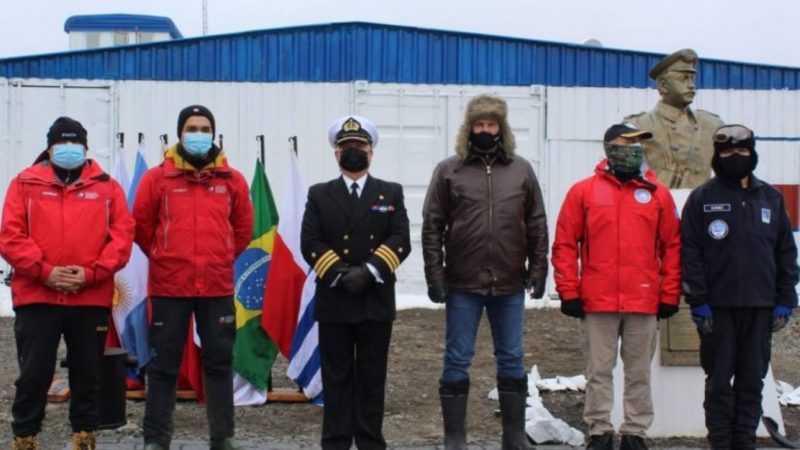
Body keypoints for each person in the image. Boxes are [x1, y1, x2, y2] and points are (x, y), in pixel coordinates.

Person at [421, 94, 548, 450]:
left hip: (509, 283)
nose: (485, 131)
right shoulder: (449, 170)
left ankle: (513, 435)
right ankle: (455, 437)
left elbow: (536, 221)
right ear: (469, 128)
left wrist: (539, 268)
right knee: (457, 358)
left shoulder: (521, 170)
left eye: (492, 125)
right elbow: (432, 225)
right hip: (463, 283)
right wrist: (435, 275)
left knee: (512, 356)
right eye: (479, 125)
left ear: (501, 128)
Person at [0, 117, 135, 450]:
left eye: (75, 142)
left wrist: (90, 274)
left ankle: (84, 437)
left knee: (88, 375)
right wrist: (44, 271)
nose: (69, 148)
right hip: (36, 297)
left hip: (89, 299)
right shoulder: (24, 184)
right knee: (34, 375)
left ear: (86, 148)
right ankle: (25, 437)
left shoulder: (108, 188)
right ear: (49, 147)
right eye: (62, 142)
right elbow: (10, 235)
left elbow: (121, 238)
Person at [551, 123, 682, 450]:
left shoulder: (657, 194)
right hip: (598, 301)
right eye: (626, 143)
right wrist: (569, 290)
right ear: (609, 147)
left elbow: (673, 246)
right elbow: (565, 243)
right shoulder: (583, 192)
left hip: (643, 300)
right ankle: (600, 430)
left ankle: (635, 432)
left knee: (639, 373)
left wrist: (669, 293)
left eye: (638, 144)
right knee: (599, 371)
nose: (633, 149)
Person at [133, 105, 253, 450]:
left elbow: (243, 229)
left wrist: (218, 259)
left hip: (216, 287)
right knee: (163, 365)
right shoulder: (157, 179)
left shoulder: (232, 180)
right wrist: (164, 256)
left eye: (204, 128)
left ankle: (222, 436)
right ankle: (156, 439)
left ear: (213, 134)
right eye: (191, 127)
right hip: (170, 287)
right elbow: (141, 227)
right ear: (179, 133)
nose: (198, 134)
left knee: (218, 363)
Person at [681, 124, 799, 449]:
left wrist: (786, 300)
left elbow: (786, 253)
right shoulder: (702, 198)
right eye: (728, 153)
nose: (736, 157)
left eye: (742, 152)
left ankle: (745, 440)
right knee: (719, 382)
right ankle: (720, 442)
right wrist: (698, 301)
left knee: (751, 381)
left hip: (761, 308)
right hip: (717, 310)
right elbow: (689, 253)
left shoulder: (771, 198)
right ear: (717, 157)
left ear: (752, 154)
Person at [301, 115, 411, 450]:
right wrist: (339, 274)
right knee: (336, 378)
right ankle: (335, 442)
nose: (353, 151)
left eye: (359, 146)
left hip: (374, 299)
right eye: (346, 147)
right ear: (336, 154)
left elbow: (400, 238)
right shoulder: (319, 194)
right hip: (335, 300)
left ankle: (369, 441)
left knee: (371, 378)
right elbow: (310, 242)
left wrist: (369, 271)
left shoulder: (390, 192)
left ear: (371, 152)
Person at [625, 48, 724, 189]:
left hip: (700, 207)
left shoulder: (713, 125)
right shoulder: (637, 125)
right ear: (663, 85)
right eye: (683, 78)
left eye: (692, 78)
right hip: (657, 206)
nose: (691, 85)